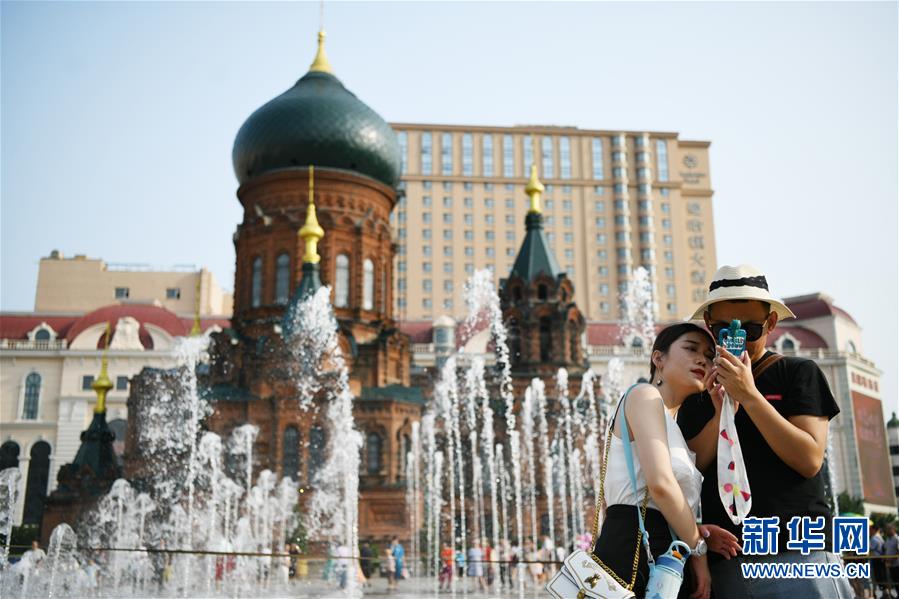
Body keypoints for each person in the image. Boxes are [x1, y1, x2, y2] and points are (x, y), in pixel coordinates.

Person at [677, 264, 853, 599]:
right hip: (730, 559)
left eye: (750, 328)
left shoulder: (797, 372)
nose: (737, 336)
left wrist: (750, 396)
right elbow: (690, 468)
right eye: (724, 328)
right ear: (709, 326)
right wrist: (719, 412)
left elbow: (809, 459)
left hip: (800, 554)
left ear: (771, 324)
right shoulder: (698, 389)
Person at [593, 322, 736, 599]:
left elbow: (694, 467)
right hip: (633, 544)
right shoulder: (644, 395)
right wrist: (699, 551)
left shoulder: (671, 424)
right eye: (691, 349)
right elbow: (660, 485)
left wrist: (720, 414)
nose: (702, 360)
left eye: (709, 355)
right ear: (658, 358)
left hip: (661, 546)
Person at [884, 525, 899, 599]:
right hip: (890, 565)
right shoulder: (888, 539)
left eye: (888, 529)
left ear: (893, 529)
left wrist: (892, 560)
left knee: (897, 580)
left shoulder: (897, 539)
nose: (887, 531)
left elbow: (898, 552)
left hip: (896, 564)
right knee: (894, 581)